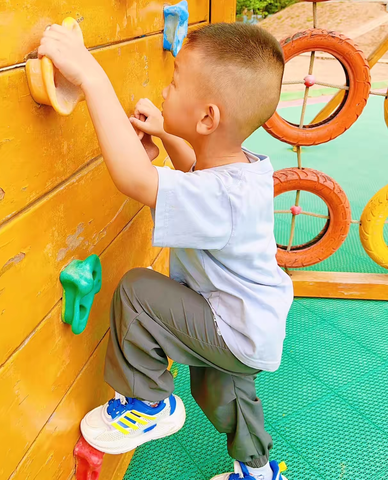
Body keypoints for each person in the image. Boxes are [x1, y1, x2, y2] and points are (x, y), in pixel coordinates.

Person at [38, 20, 293, 480]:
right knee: (225, 395)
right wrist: (169, 132)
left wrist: (91, 76)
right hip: (252, 325)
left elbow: (135, 179)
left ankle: (147, 402)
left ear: (207, 118)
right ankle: (258, 470)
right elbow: (195, 168)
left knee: (138, 291)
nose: (165, 87)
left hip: (233, 323)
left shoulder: (221, 198)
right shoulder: (242, 168)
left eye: (175, 82)